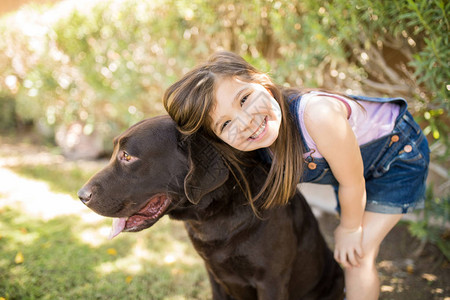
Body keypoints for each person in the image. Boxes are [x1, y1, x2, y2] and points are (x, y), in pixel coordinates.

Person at [163, 51, 430, 300]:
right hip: (353, 171)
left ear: (262, 81)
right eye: (226, 124)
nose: (245, 122)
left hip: (397, 157)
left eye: (244, 99)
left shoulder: (317, 115)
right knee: (353, 252)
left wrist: (350, 228)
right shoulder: (256, 141)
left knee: (357, 255)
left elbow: (352, 181)